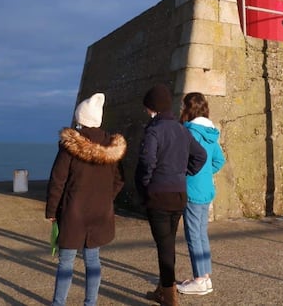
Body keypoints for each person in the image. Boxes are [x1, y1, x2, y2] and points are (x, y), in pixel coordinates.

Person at [46, 93, 127, 306]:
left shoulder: (70, 147)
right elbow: (120, 180)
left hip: (73, 213)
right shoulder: (111, 148)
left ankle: (59, 303)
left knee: (66, 262)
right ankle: (90, 303)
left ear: (80, 119)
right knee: (93, 260)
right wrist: (106, 198)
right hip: (101, 213)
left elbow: (57, 181)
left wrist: (52, 212)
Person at [135, 83, 207, 306]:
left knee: (164, 248)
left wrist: (147, 184)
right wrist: (183, 172)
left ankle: (170, 299)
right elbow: (201, 156)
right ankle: (163, 290)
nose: (146, 112)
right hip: (178, 194)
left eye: (147, 108)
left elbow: (147, 161)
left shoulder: (154, 130)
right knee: (167, 245)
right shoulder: (182, 129)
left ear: (153, 107)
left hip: (158, 195)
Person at [176, 92, 226, 296]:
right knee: (201, 234)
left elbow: (181, 160)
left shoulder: (188, 132)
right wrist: (205, 173)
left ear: (189, 108)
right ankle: (205, 278)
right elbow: (218, 161)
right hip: (206, 188)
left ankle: (199, 280)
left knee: (193, 235)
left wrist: (189, 174)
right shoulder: (211, 132)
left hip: (191, 189)